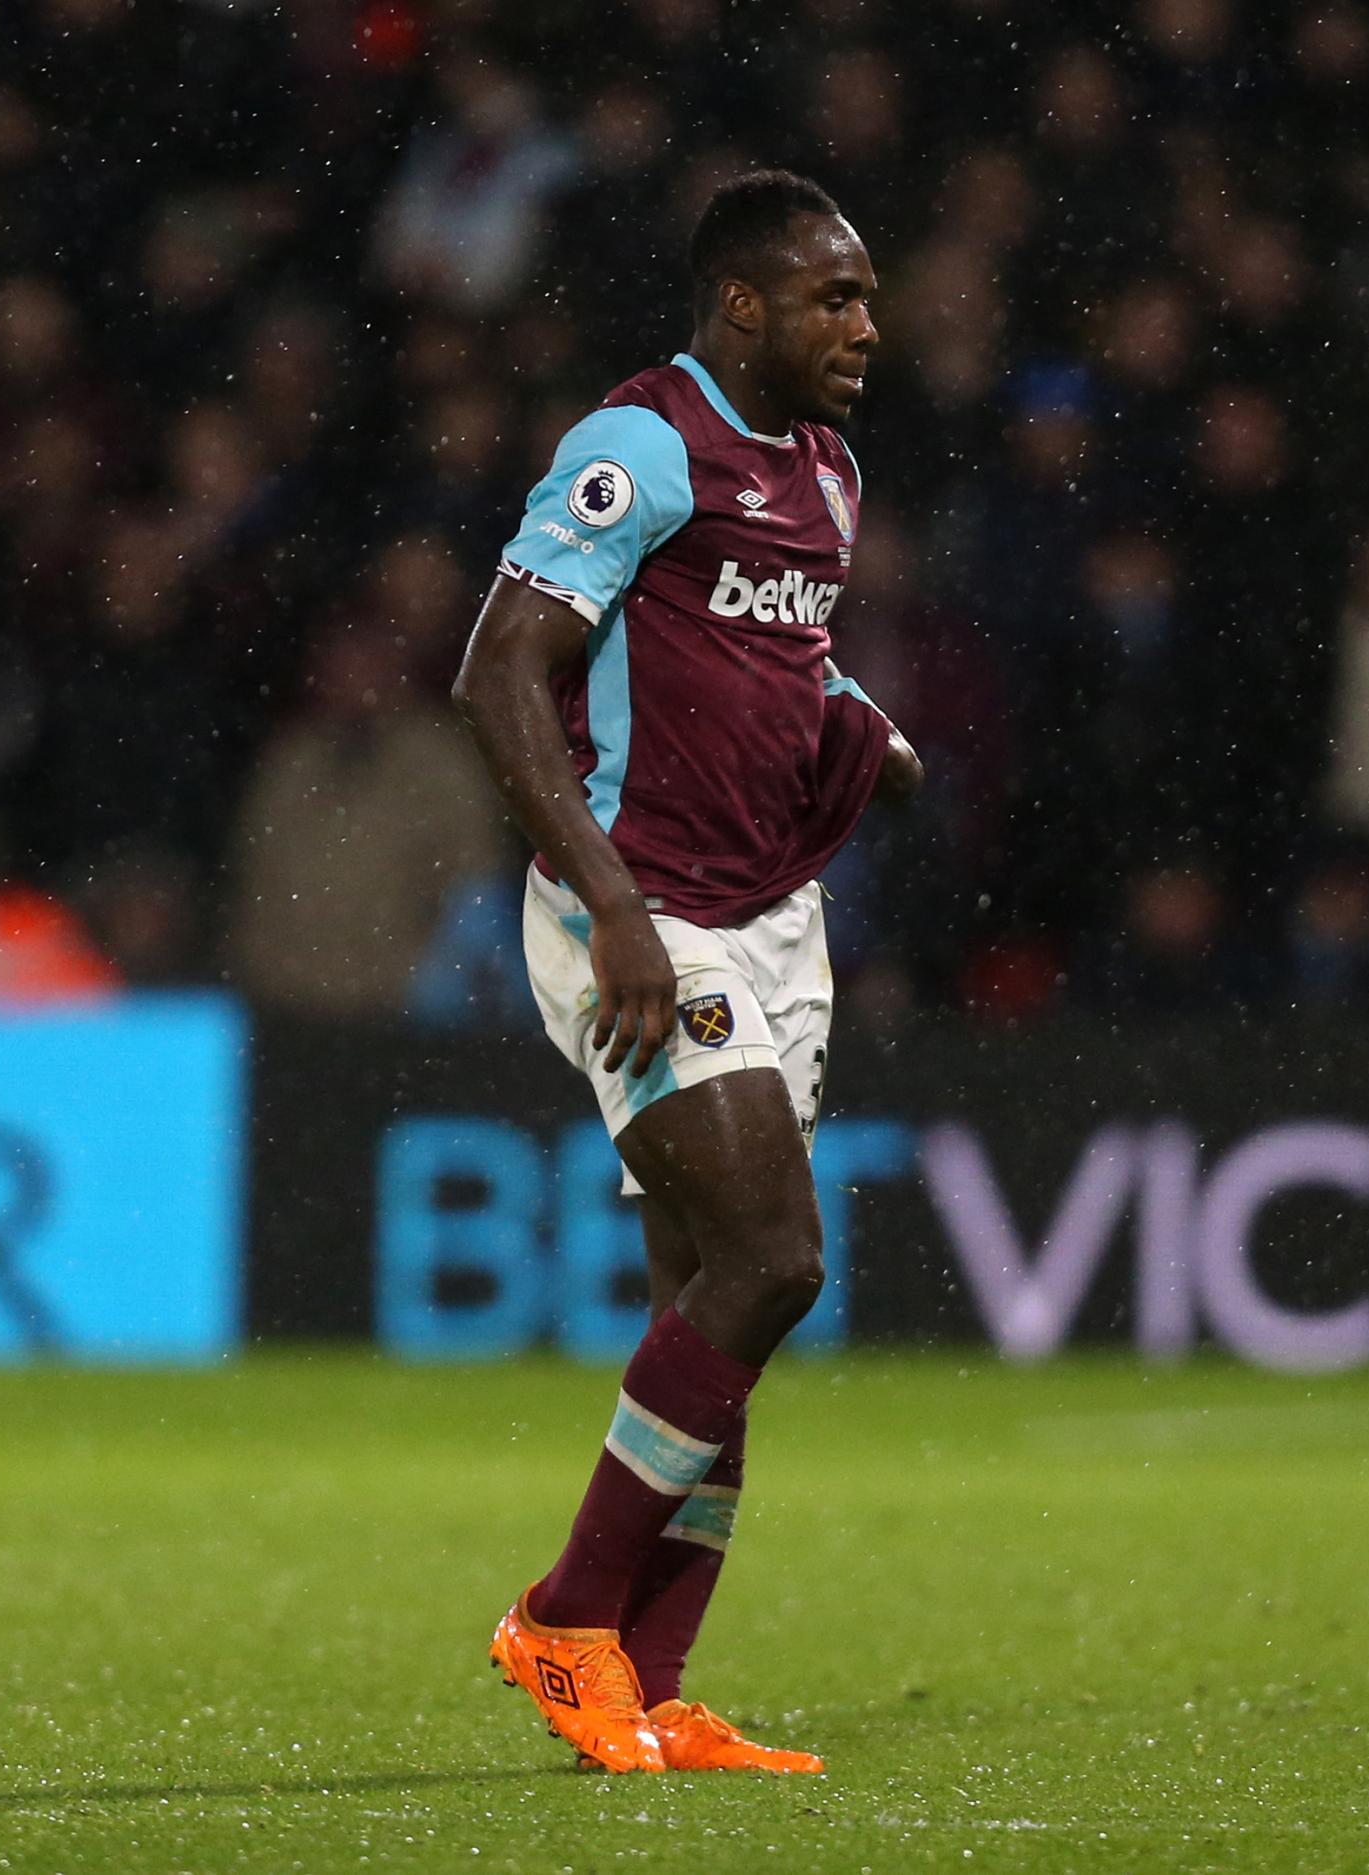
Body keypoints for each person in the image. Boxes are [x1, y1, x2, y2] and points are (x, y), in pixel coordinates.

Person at [451, 170, 921, 1775]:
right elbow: (501, 671)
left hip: (773, 916)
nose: (869, 324)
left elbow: (780, 654)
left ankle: (645, 1692)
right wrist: (616, 908)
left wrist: (861, 724)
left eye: (866, 297)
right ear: (743, 306)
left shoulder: (832, 474)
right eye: (835, 298)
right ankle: (565, 1616)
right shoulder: (639, 444)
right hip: (640, 908)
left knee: (713, 1302)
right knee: (776, 1259)